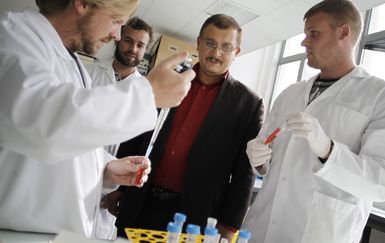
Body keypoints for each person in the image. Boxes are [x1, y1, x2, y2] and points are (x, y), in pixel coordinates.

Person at [0, 0, 194, 239]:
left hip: (55, 232)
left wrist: (105, 166)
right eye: (115, 21)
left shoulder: (71, 62)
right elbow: (43, 124)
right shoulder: (11, 37)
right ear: (82, 3)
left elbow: (70, 136)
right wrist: (148, 94)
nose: (116, 35)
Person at [243, 0, 385, 242]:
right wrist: (259, 160)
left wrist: (328, 150)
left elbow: (384, 183)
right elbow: (269, 155)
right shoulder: (290, 93)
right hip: (262, 226)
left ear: (343, 32)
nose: (304, 42)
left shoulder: (383, 97)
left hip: (320, 232)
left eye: (313, 33)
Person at [104, 14, 264, 241]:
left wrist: (229, 225)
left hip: (196, 214)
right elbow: (138, 132)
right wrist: (120, 187)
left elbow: (244, 170)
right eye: (210, 43)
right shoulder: (167, 79)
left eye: (226, 47)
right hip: (143, 200)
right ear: (198, 43)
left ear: (236, 52)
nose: (216, 53)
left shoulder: (248, 103)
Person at [86, 16, 153, 156]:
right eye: (128, 41)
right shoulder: (88, 73)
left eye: (140, 45)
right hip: (79, 158)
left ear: (145, 49)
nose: (133, 49)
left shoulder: (145, 90)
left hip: (116, 167)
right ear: (118, 40)